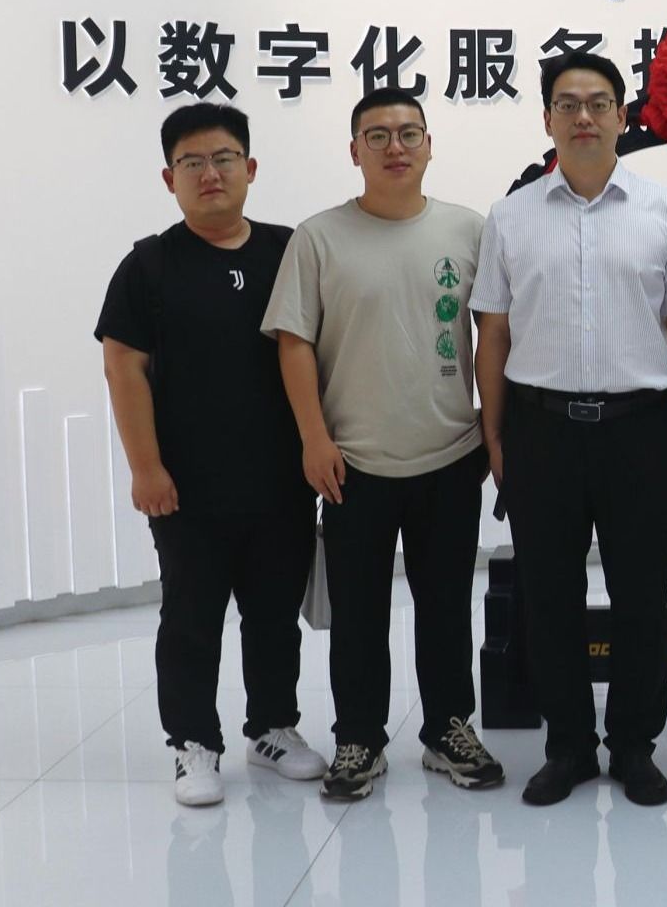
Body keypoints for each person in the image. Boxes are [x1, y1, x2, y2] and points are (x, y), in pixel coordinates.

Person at [472, 52, 667, 807]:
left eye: (599, 103)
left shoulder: (664, 211)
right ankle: (568, 745)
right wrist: (495, 437)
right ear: (546, 118)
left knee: (642, 596)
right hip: (540, 431)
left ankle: (634, 745)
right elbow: (493, 334)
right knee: (549, 597)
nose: (583, 117)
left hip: (639, 428)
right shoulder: (511, 217)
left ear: (622, 116)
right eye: (567, 104)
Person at [262, 88, 503, 801]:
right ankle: (359, 738)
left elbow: (493, 335)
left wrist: (492, 432)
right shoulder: (319, 237)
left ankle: (448, 729)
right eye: (378, 135)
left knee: (446, 605)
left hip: (450, 455)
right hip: (353, 463)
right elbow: (294, 343)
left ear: (429, 145)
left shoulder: (468, 230)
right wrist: (313, 438)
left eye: (408, 133)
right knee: (358, 613)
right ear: (354, 151)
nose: (395, 147)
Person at [96, 103, 324, 807]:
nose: (210, 173)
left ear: (249, 168)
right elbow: (123, 367)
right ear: (170, 179)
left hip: (280, 480)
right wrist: (145, 467)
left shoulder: (288, 252)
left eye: (223, 158)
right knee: (191, 618)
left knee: (274, 614)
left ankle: (273, 728)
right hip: (186, 487)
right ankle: (193, 742)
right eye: (191, 162)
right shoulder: (149, 265)